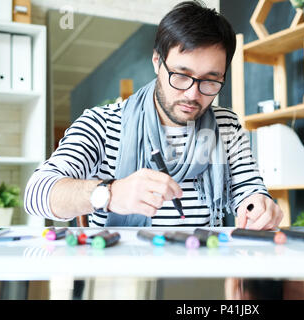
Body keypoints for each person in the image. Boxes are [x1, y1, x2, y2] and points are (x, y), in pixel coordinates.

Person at [24, 1, 283, 229]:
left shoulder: (224, 125)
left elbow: (248, 190)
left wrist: (258, 206)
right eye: (181, 76)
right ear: (157, 62)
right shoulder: (101, 124)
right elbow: (36, 193)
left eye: (210, 81)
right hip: (121, 274)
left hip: (201, 268)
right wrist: (110, 194)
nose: (193, 94)